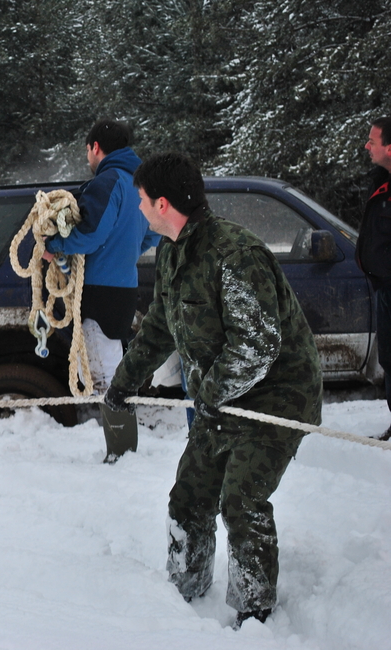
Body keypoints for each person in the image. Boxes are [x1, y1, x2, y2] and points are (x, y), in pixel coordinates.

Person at [103, 152, 322, 628]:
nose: (139, 210)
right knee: (188, 497)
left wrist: (209, 393)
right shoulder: (172, 252)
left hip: (276, 397)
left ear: (163, 204)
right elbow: (160, 325)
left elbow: (257, 347)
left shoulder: (234, 255)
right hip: (223, 397)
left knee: (240, 499)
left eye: (141, 201)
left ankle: (255, 613)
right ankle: (183, 595)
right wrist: (123, 384)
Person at [41, 118, 160, 461]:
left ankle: (121, 455)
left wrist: (56, 244)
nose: (88, 159)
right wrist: (123, 253)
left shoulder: (108, 182)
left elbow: (90, 234)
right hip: (123, 289)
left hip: (98, 290)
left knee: (107, 376)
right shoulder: (140, 186)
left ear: (96, 148)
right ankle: (123, 451)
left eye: (88, 151)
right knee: (113, 367)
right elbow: (151, 233)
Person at [355, 116, 391, 441]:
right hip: (385, 288)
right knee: (390, 358)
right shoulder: (380, 181)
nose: (367, 146)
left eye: (372, 141)